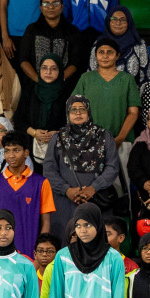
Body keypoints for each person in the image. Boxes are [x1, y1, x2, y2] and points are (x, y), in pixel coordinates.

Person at [44, 95, 120, 240]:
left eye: (82, 109)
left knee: (96, 243)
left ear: (89, 112)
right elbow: (49, 169)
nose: (78, 113)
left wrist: (93, 188)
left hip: (96, 201)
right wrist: (66, 190)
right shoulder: (58, 138)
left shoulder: (104, 136)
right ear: (67, 114)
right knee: (67, 242)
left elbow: (112, 167)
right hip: (65, 203)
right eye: (73, 110)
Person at [0, 131, 57, 258]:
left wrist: (40, 250)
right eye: (7, 151)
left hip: (30, 250)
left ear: (26, 153)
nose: (11, 155)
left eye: (16, 150)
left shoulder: (41, 182)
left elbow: (46, 222)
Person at [18, 51, 70, 161]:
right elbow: (18, 119)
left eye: (53, 68)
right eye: (44, 68)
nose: (48, 72)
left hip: (59, 149)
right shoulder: (30, 91)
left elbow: (73, 122)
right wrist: (34, 132)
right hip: (30, 148)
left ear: (60, 71)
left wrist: (58, 134)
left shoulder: (68, 93)